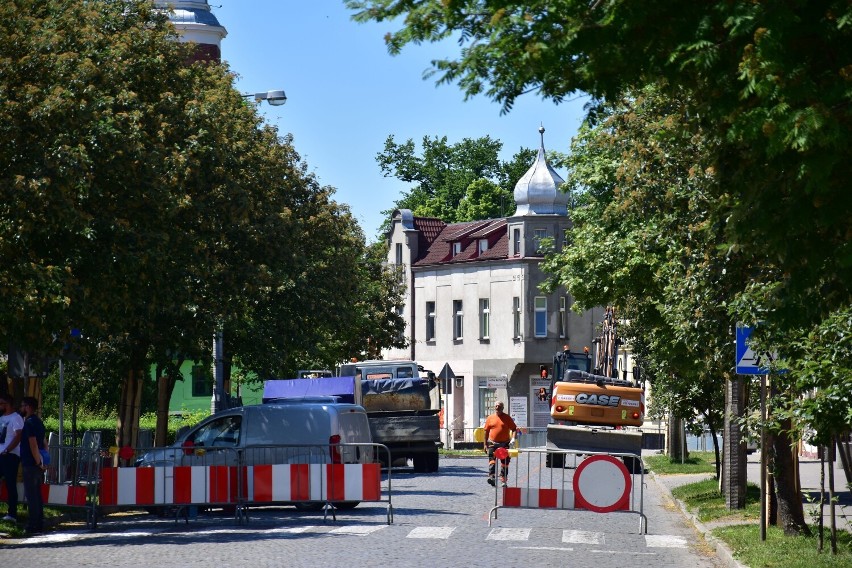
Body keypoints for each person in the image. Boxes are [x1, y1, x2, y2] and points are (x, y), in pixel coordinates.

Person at [20, 396, 46, 534]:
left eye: (23, 406)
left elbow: (33, 444)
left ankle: (33, 524)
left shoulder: (29, 423)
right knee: (37, 495)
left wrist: (37, 461)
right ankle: (40, 522)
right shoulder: (39, 422)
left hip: (31, 463)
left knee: (32, 496)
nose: (21, 408)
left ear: (29, 407)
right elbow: (45, 443)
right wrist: (43, 462)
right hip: (38, 464)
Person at [0, 394, 24, 522]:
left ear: (7, 404)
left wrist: (8, 450)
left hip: (10, 455)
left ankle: (12, 514)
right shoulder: (1, 418)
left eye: (1, 403)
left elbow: (18, 436)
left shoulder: (16, 418)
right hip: (1, 453)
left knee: (10, 484)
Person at [483, 401, 517, 487]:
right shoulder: (490, 418)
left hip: (504, 443)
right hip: (492, 443)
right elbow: (486, 431)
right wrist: (485, 444)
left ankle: (503, 480)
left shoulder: (507, 418)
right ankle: (492, 477)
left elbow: (514, 429)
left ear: (502, 408)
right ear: (494, 407)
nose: (497, 408)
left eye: (499, 406)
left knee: (505, 462)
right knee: (492, 461)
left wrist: (513, 439)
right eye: (496, 406)